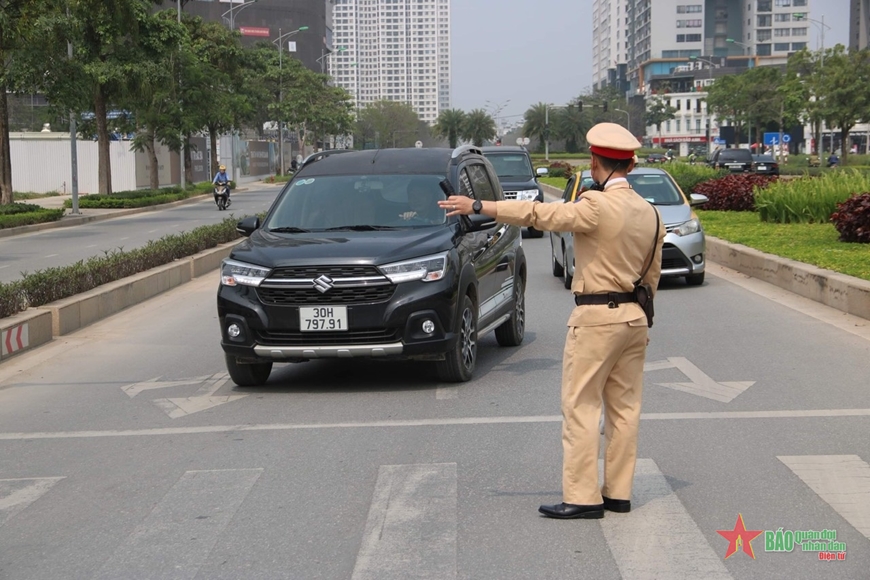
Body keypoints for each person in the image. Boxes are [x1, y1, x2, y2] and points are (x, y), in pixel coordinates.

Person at [439, 123, 665, 519]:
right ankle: (618, 493)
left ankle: (582, 497)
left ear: (596, 162)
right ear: (630, 164)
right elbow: (652, 276)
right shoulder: (651, 214)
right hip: (635, 319)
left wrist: (479, 207)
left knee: (581, 407)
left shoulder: (596, 205)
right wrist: (641, 318)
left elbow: (540, 213)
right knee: (625, 410)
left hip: (596, 318)